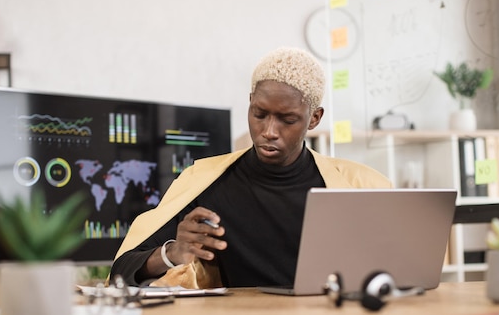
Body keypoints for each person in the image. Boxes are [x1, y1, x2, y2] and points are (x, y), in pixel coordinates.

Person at [110, 46, 391, 288]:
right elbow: (122, 271)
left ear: (314, 118)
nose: (269, 130)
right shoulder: (205, 181)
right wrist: (172, 253)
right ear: (250, 103)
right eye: (259, 114)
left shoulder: (359, 185)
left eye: (287, 120)